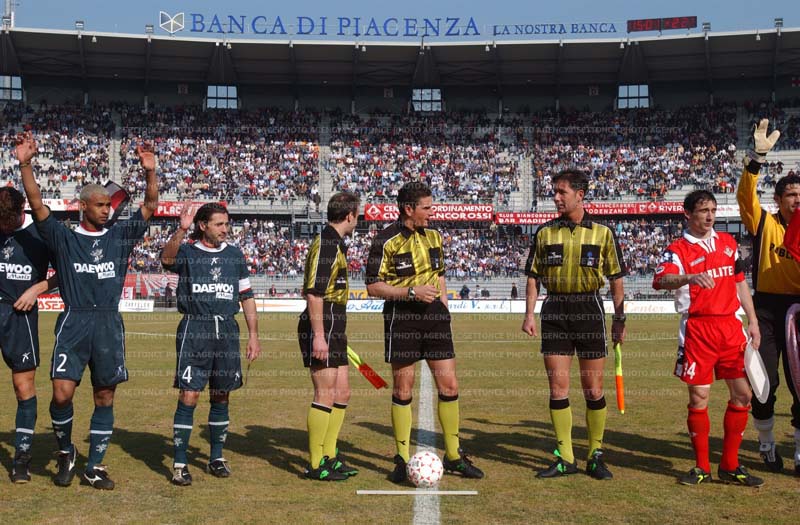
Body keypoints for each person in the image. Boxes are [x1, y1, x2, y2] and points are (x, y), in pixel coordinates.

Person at [16, 131, 158, 490]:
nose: (106, 210)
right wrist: (26, 164)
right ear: (83, 206)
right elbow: (36, 203)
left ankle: (94, 466)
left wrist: (150, 172)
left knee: (104, 395)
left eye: (108, 205)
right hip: (74, 321)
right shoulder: (64, 238)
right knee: (61, 393)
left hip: (108, 323)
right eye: (99, 205)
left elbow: (150, 205)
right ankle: (66, 451)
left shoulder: (119, 237)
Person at [366, 182, 483, 483]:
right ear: (409, 209)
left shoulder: (434, 236)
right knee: (402, 390)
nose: (432, 213)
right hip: (402, 318)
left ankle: (454, 456)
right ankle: (401, 459)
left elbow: (440, 275)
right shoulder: (385, 240)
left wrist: (444, 308)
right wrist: (410, 292)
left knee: (450, 386)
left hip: (435, 319)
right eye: (427, 208)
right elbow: (372, 286)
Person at [653, 190, 763, 487]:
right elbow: (661, 280)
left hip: (730, 328)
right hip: (698, 330)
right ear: (688, 214)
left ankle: (730, 465)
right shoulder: (677, 249)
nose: (710, 216)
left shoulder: (728, 243)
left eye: (713, 210)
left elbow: (740, 283)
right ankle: (702, 467)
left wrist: (752, 321)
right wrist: (688, 277)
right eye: (703, 210)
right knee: (699, 397)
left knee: (743, 395)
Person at [521, 169, 626, 480]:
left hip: (589, 309)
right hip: (554, 310)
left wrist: (620, 319)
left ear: (580, 195)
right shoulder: (544, 233)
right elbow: (533, 277)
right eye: (555, 191)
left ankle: (595, 454)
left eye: (562, 192)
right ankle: (565, 457)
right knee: (558, 389)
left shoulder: (603, 233)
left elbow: (616, 279)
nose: (556, 197)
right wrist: (529, 314)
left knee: (593, 389)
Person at [161, 202, 261, 486]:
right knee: (189, 395)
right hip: (196, 328)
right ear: (203, 225)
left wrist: (254, 335)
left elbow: (246, 296)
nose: (225, 229)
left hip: (227, 330)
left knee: (222, 395)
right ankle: (180, 463)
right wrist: (181, 230)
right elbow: (166, 259)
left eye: (226, 224)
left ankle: (216, 457)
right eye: (219, 224)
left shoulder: (234, 255)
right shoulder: (188, 252)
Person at [736, 119, 800, 474]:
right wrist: (757, 159)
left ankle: (799, 449)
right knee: (766, 383)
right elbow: (745, 196)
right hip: (767, 311)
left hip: (799, 309)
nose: (797, 199)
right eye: (790, 194)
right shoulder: (764, 223)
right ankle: (766, 443)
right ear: (778, 200)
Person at [298, 192, 360, 481]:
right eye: (357, 215)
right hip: (323, 321)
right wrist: (319, 336)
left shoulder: (336, 243)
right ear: (349, 215)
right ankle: (315, 464)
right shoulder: (326, 244)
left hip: (335, 321)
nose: (357, 220)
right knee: (324, 393)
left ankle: (330, 455)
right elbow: (313, 293)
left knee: (342, 392)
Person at [0, 187, 57, 483]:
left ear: (21, 210)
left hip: (19, 315)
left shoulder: (42, 233)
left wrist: (38, 288)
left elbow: (67, 271)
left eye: (7, 222)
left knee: (23, 387)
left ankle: (21, 457)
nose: (3, 228)